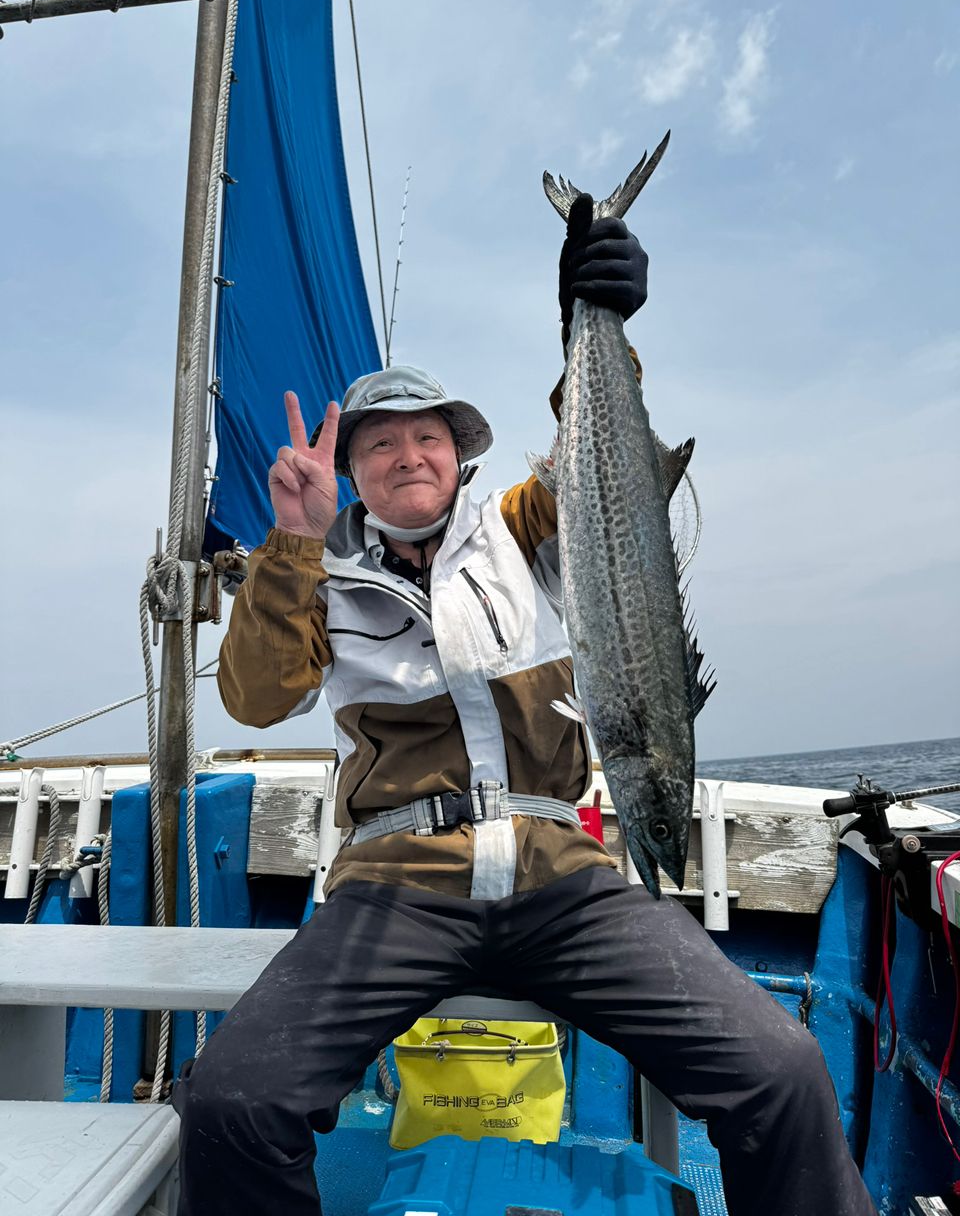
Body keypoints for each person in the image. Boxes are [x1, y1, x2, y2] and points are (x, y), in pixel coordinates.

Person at [173, 217, 877, 1216]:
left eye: (429, 435)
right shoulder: (317, 571)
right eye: (381, 443)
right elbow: (253, 696)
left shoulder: (522, 524)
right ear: (354, 473)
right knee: (232, 1101)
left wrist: (595, 321)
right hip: (394, 888)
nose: (408, 453)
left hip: (564, 881)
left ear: (459, 455)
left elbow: (605, 470)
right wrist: (289, 540)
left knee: (781, 1065)